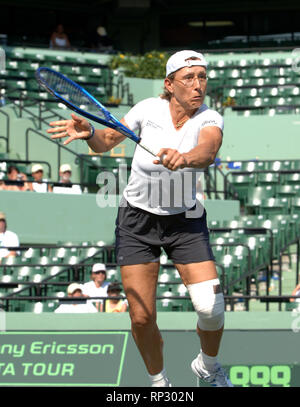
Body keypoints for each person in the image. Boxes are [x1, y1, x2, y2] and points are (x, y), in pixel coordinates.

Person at [47, 50, 232, 387]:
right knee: (142, 316)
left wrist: (185, 157)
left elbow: (207, 151)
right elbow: (105, 142)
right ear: (169, 83)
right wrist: (90, 132)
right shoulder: (146, 110)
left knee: (211, 308)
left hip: (184, 221)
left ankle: (208, 365)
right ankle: (159, 382)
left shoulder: (210, 118)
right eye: (189, 77)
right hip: (137, 222)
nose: (198, 85)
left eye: (202, 77)